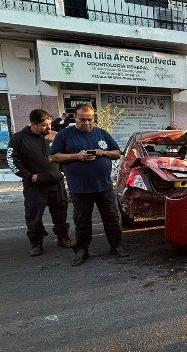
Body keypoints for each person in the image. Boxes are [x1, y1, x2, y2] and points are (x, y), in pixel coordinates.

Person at [49, 104, 128, 265]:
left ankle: (116, 246)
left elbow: (117, 153)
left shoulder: (102, 133)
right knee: (82, 221)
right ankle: (81, 250)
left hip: (104, 185)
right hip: (80, 187)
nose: (87, 123)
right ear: (75, 118)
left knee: (111, 218)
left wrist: (104, 152)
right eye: (82, 119)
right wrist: (76, 156)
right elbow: (53, 157)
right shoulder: (65, 135)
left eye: (90, 119)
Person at [7, 109, 71, 256]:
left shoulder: (55, 136)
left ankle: (63, 237)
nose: (48, 128)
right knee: (34, 216)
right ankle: (36, 242)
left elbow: (66, 155)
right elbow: (12, 160)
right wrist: (29, 176)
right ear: (33, 124)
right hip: (34, 185)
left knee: (60, 213)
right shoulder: (18, 138)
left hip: (56, 183)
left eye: (49, 124)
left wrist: (63, 172)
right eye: (43, 125)